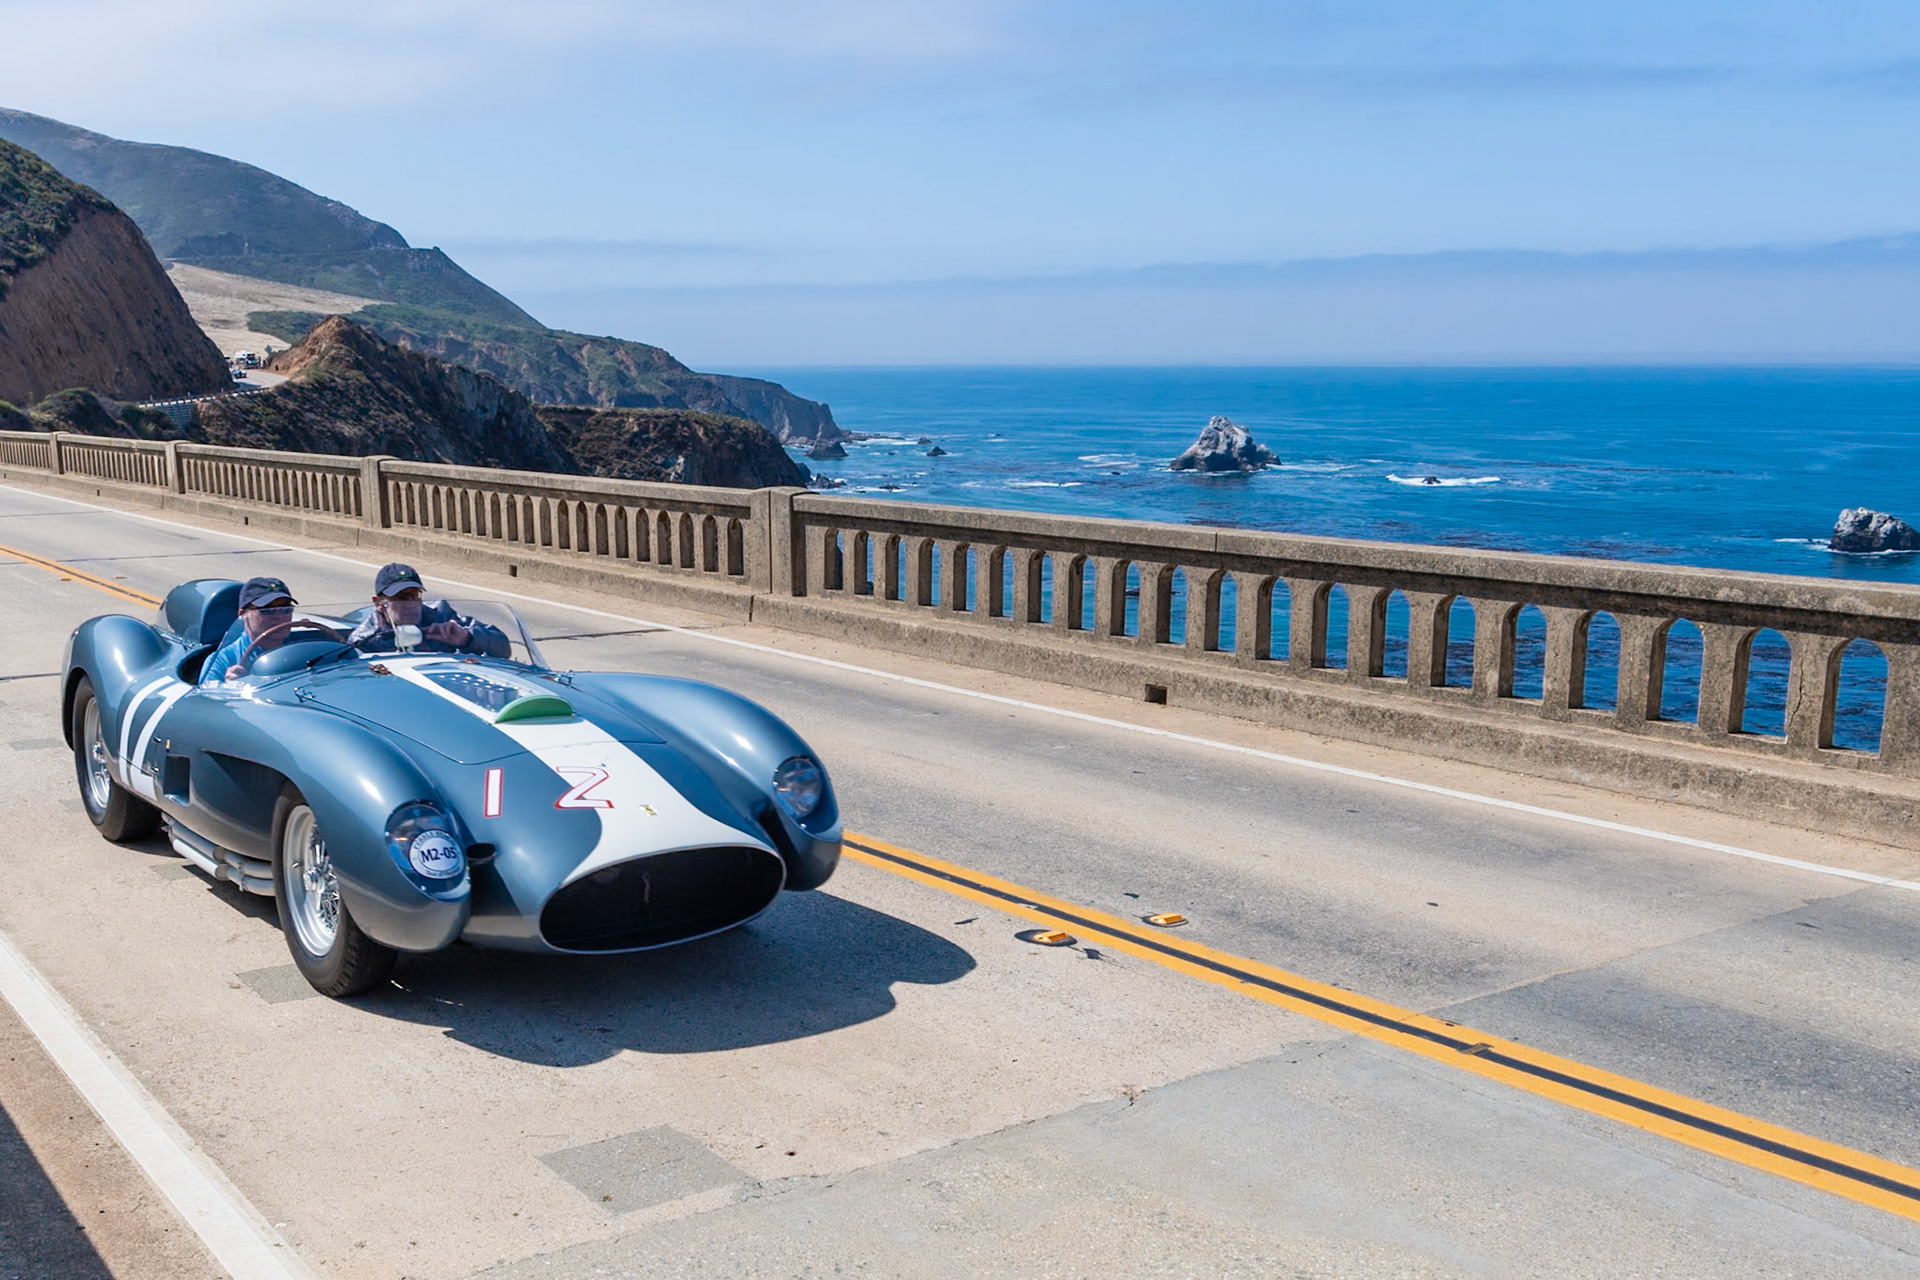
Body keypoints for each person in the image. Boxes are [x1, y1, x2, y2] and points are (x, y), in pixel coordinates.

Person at [348, 563, 511, 659]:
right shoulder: (364, 641)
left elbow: (503, 648)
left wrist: (466, 638)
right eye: (401, 597)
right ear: (378, 603)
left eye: (415, 595)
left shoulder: (440, 615)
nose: (410, 604)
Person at [202, 577, 300, 685]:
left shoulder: (303, 650)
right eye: (266, 610)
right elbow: (205, 695)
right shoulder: (221, 661)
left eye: (286, 609)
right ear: (243, 614)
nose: (279, 616)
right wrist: (228, 687)